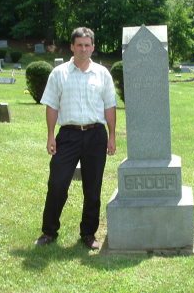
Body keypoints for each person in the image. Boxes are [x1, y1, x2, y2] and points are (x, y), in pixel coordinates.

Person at [35, 27, 117, 250]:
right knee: (57, 183)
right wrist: (51, 135)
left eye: (87, 45)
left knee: (93, 188)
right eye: (79, 45)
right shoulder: (59, 73)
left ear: (93, 46)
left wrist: (112, 137)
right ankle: (49, 231)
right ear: (72, 47)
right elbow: (52, 105)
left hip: (96, 135)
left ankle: (88, 234)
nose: (83, 49)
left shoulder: (102, 74)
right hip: (68, 136)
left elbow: (110, 106)